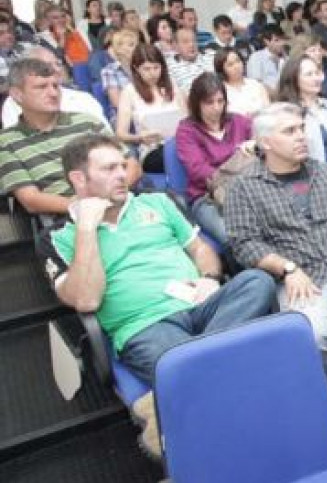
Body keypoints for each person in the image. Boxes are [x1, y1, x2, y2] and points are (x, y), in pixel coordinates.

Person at [39, 132, 275, 455]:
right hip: (146, 327)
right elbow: (87, 300)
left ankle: (166, 394)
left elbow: (200, 249)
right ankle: (197, 385)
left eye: (122, 165)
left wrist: (209, 278)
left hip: (202, 304)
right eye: (108, 169)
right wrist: (86, 229)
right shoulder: (58, 236)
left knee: (257, 281)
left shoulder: (157, 202)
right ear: (79, 179)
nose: (122, 175)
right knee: (217, 377)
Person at [224, 102, 327, 397]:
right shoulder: (244, 187)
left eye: (301, 128)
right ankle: (326, 418)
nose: (301, 135)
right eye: (290, 131)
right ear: (265, 142)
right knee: (311, 338)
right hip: (303, 278)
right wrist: (287, 269)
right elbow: (244, 244)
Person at [0, 59, 139, 217]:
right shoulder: (6, 141)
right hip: (68, 218)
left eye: (55, 86)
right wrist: (85, 206)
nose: (53, 93)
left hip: (119, 206)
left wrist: (113, 194)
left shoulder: (88, 122)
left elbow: (132, 165)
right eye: (41, 87)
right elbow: (30, 199)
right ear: (17, 94)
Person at [175, 73, 252, 244]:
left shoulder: (239, 121)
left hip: (248, 191)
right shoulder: (187, 130)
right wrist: (233, 178)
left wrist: (253, 145)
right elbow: (198, 171)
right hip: (206, 197)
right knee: (233, 236)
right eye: (209, 103)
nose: (217, 108)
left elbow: (264, 144)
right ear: (197, 104)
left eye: (220, 101)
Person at [116, 44, 186, 173]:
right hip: (153, 150)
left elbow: (187, 119)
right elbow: (121, 134)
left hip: (180, 143)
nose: (152, 73)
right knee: (180, 156)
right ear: (136, 69)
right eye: (146, 69)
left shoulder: (172, 85)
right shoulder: (129, 91)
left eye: (156, 68)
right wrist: (139, 137)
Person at [275, 54, 327, 169]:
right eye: (309, 74)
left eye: (317, 73)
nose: (316, 78)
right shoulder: (285, 113)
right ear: (294, 79)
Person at [3, 46, 108, 129]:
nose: (56, 69)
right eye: (46, 66)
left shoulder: (83, 98)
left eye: (57, 64)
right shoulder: (13, 102)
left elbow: (106, 135)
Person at [214, 48, 269, 117]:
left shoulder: (256, 85)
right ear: (222, 70)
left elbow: (268, 111)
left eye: (238, 61)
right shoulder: (220, 91)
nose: (236, 66)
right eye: (230, 65)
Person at [166, 27, 214, 93]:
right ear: (175, 46)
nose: (191, 45)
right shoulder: (170, 66)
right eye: (185, 42)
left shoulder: (210, 55)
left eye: (194, 40)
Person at [245, 24, 287, 94]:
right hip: (265, 97)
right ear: (266, 41)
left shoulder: (286, 58)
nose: (282, 43)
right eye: (277, 40)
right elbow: (256, 84)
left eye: (282, 39)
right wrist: (274, 94)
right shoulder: (256, 57)